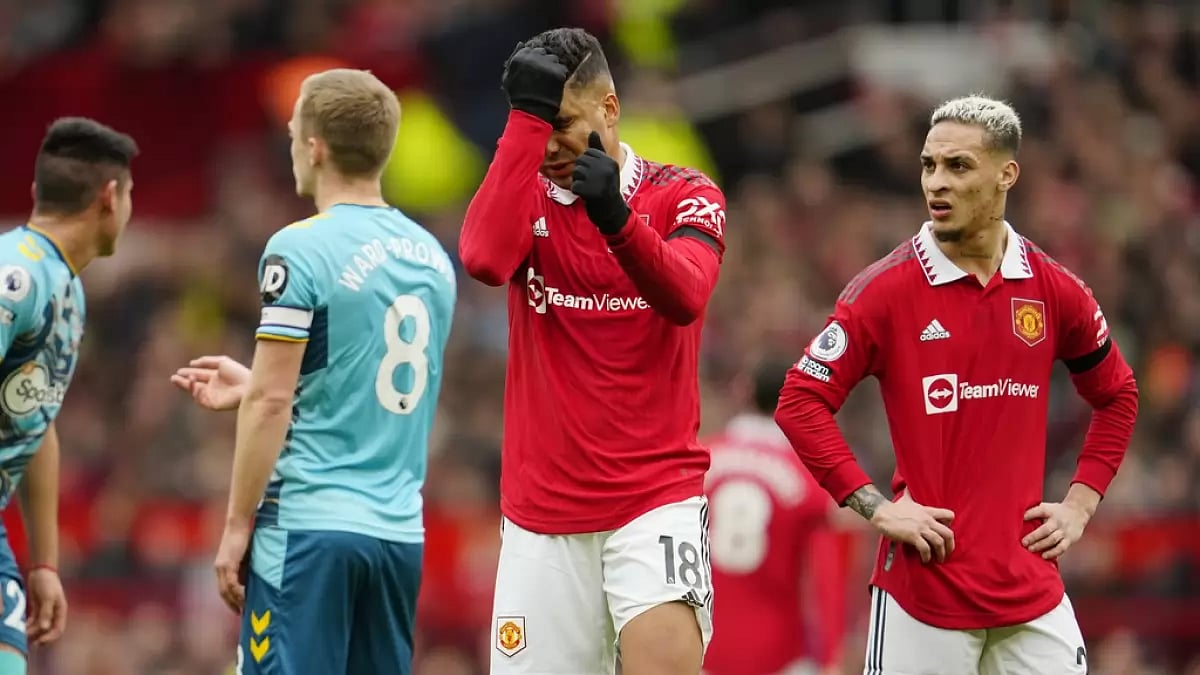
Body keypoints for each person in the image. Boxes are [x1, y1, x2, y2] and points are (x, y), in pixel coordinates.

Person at [774, 94, 1139, 675]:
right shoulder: (885, 291)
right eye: (928, 165)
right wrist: (874, 507)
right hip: (923, 598)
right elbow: (800, 402)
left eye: (958, 166)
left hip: (1031, 593)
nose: (936, 183)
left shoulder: (1052, 288)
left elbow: (1117, 395)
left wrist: (1081, 502)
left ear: (1006, 175)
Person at [170, 68, 456, 675]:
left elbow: (273, 403)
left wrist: (234, 527)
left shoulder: (299, 248)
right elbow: (379, 391)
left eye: (295, 133)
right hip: (398, 535)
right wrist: (251, 387)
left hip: (308, 528)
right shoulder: (432, 258)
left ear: (315, 146)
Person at [459, 27, 726, 675]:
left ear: (610, 110)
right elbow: (484, 258)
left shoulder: (682, 192)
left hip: (653, 500)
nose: (550, 145)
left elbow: (686, 293)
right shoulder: (524, 198)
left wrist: (617, 219)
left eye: (564, 124)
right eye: (537, 127)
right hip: (541, 518)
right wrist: (523, 122)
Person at [0, 117, 137, 674]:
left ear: (38, 194)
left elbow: (36, 418)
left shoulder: (67, 287)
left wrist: (46, 563)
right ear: (110, 197)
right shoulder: (18, 276)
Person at [702, 357, 846, 675]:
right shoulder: (808, 477)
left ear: (744, 393)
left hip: (702, 649)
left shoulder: (700, 461)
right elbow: (825, 575)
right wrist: (831, 656)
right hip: (779, 654)